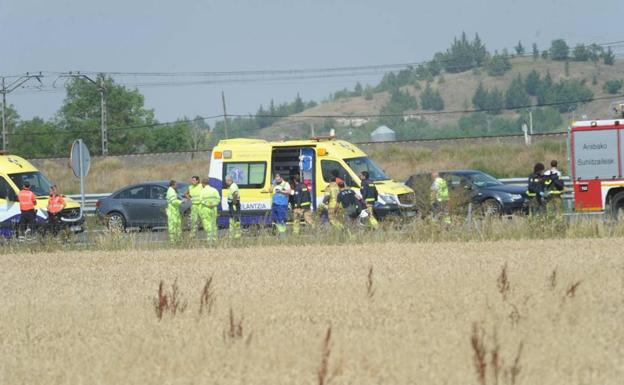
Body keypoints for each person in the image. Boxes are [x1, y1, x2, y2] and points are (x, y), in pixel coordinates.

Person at [200, 178, 221, 244]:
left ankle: (210, 241)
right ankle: (215, 240)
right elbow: (218, 199)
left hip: (206, 209)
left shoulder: (202, 191)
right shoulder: (214, 190)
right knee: (213, 224)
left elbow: (201, 200)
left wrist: (208, 204)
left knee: (207, 224)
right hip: (214, 208)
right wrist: (214, 204)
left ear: (203, 184)